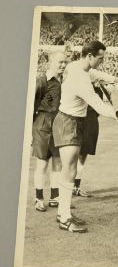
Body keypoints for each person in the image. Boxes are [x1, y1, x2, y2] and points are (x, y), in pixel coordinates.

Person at [52, 40, 118, 233]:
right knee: (69, 170)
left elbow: (96, 73)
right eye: (100, 58)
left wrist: (116, 80)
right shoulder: (80, 78)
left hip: (72, 121)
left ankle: (63, 213)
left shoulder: (78, 67)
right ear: (89, 56)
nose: (102, 61)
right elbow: (100, 106)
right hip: (68, 122)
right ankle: (64, 217)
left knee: (69, 170)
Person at [73, 70, 118, 198]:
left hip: (91, 121)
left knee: (83, 156)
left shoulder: (99, 86)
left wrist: (111, 85)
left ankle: (76, 186)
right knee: (71, 155)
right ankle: (65, 188)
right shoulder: (80, 81)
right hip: (77, 121)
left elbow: (114, 102)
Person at [32, 51, 68, 211]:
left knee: (58, 162)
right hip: (43, 125)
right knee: (42, 164)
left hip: (59, 125)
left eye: (65, 62)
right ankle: (38, 198)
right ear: (51, 62)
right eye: (60, 62)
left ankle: (55, 196)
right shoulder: (41, 82)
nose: (63, 65)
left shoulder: (65, 81)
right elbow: (30, 109)